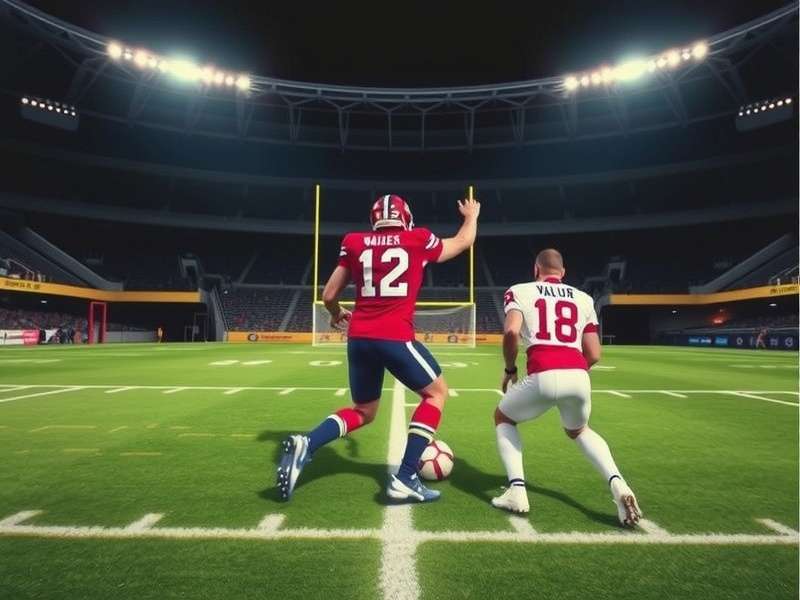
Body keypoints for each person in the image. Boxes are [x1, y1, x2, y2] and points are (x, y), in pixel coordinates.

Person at [277, 193, 480, 503]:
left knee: (364, 410)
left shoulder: (355, 242)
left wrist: (336, 315)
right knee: (436, 393)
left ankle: (309, 442)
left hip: (359, 338)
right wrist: (471, 216)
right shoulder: (418, 239)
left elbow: (329, 294)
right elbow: (462, 242)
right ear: (406, 218)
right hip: (394, 335)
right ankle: (406, 476)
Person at [491, 248, 642, 527]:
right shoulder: (584, 298)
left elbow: (512, 331)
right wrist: (572, 371)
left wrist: (510, 369)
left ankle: (517, 490)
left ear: (536, 270)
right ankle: (618, 483)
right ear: (563, 273)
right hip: (578, 375)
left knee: (503, 417)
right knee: (580, 431)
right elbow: (594, 353)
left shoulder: (520, 290)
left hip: (543, 372)